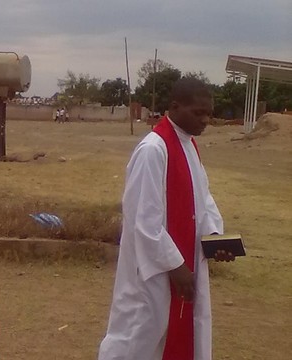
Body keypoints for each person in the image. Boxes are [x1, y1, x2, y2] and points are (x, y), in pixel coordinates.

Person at [98, 78, 235, 360]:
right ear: (174, 107)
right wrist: (175, 265)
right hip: (154, 273)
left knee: (180, 335)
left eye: (208, 113)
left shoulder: (189, 146)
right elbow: (143, 218)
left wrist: (214, 237)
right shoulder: (153, 149)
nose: (206, 120)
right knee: (139, 338)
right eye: (198, 113)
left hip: (183, 263)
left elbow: (203, 199)